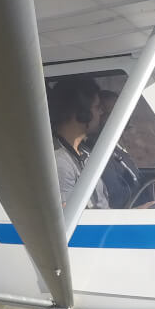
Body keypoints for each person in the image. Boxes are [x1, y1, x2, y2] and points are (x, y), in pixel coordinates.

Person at [48, 75, 109, 209]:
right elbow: (69, 220)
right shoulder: (60, 162)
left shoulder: (83, 152)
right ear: (81, 112)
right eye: (97, 107)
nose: (101, 112)